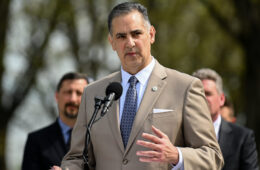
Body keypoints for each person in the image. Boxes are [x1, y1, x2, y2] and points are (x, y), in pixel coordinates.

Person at [53, 2, 223, 170]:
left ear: (151, 35)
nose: (130, 43)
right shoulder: (92, 93)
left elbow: (213, 157)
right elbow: (77, 157)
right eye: (121, 36)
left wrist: (176, 155)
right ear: (111, 42)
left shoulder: (185, 87)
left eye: (136, 34)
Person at [192, 68, 259, 170]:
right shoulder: (177, 135)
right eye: (198, 93)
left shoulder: (242, 138)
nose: (203, 98)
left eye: (208, 93)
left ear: (222, 99)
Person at [22, 72, 90, 170]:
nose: (73, 99)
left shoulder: (98, 139)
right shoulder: (36, 141)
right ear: (57, 96)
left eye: (79, 93)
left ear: (88, 98)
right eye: (68, 92)